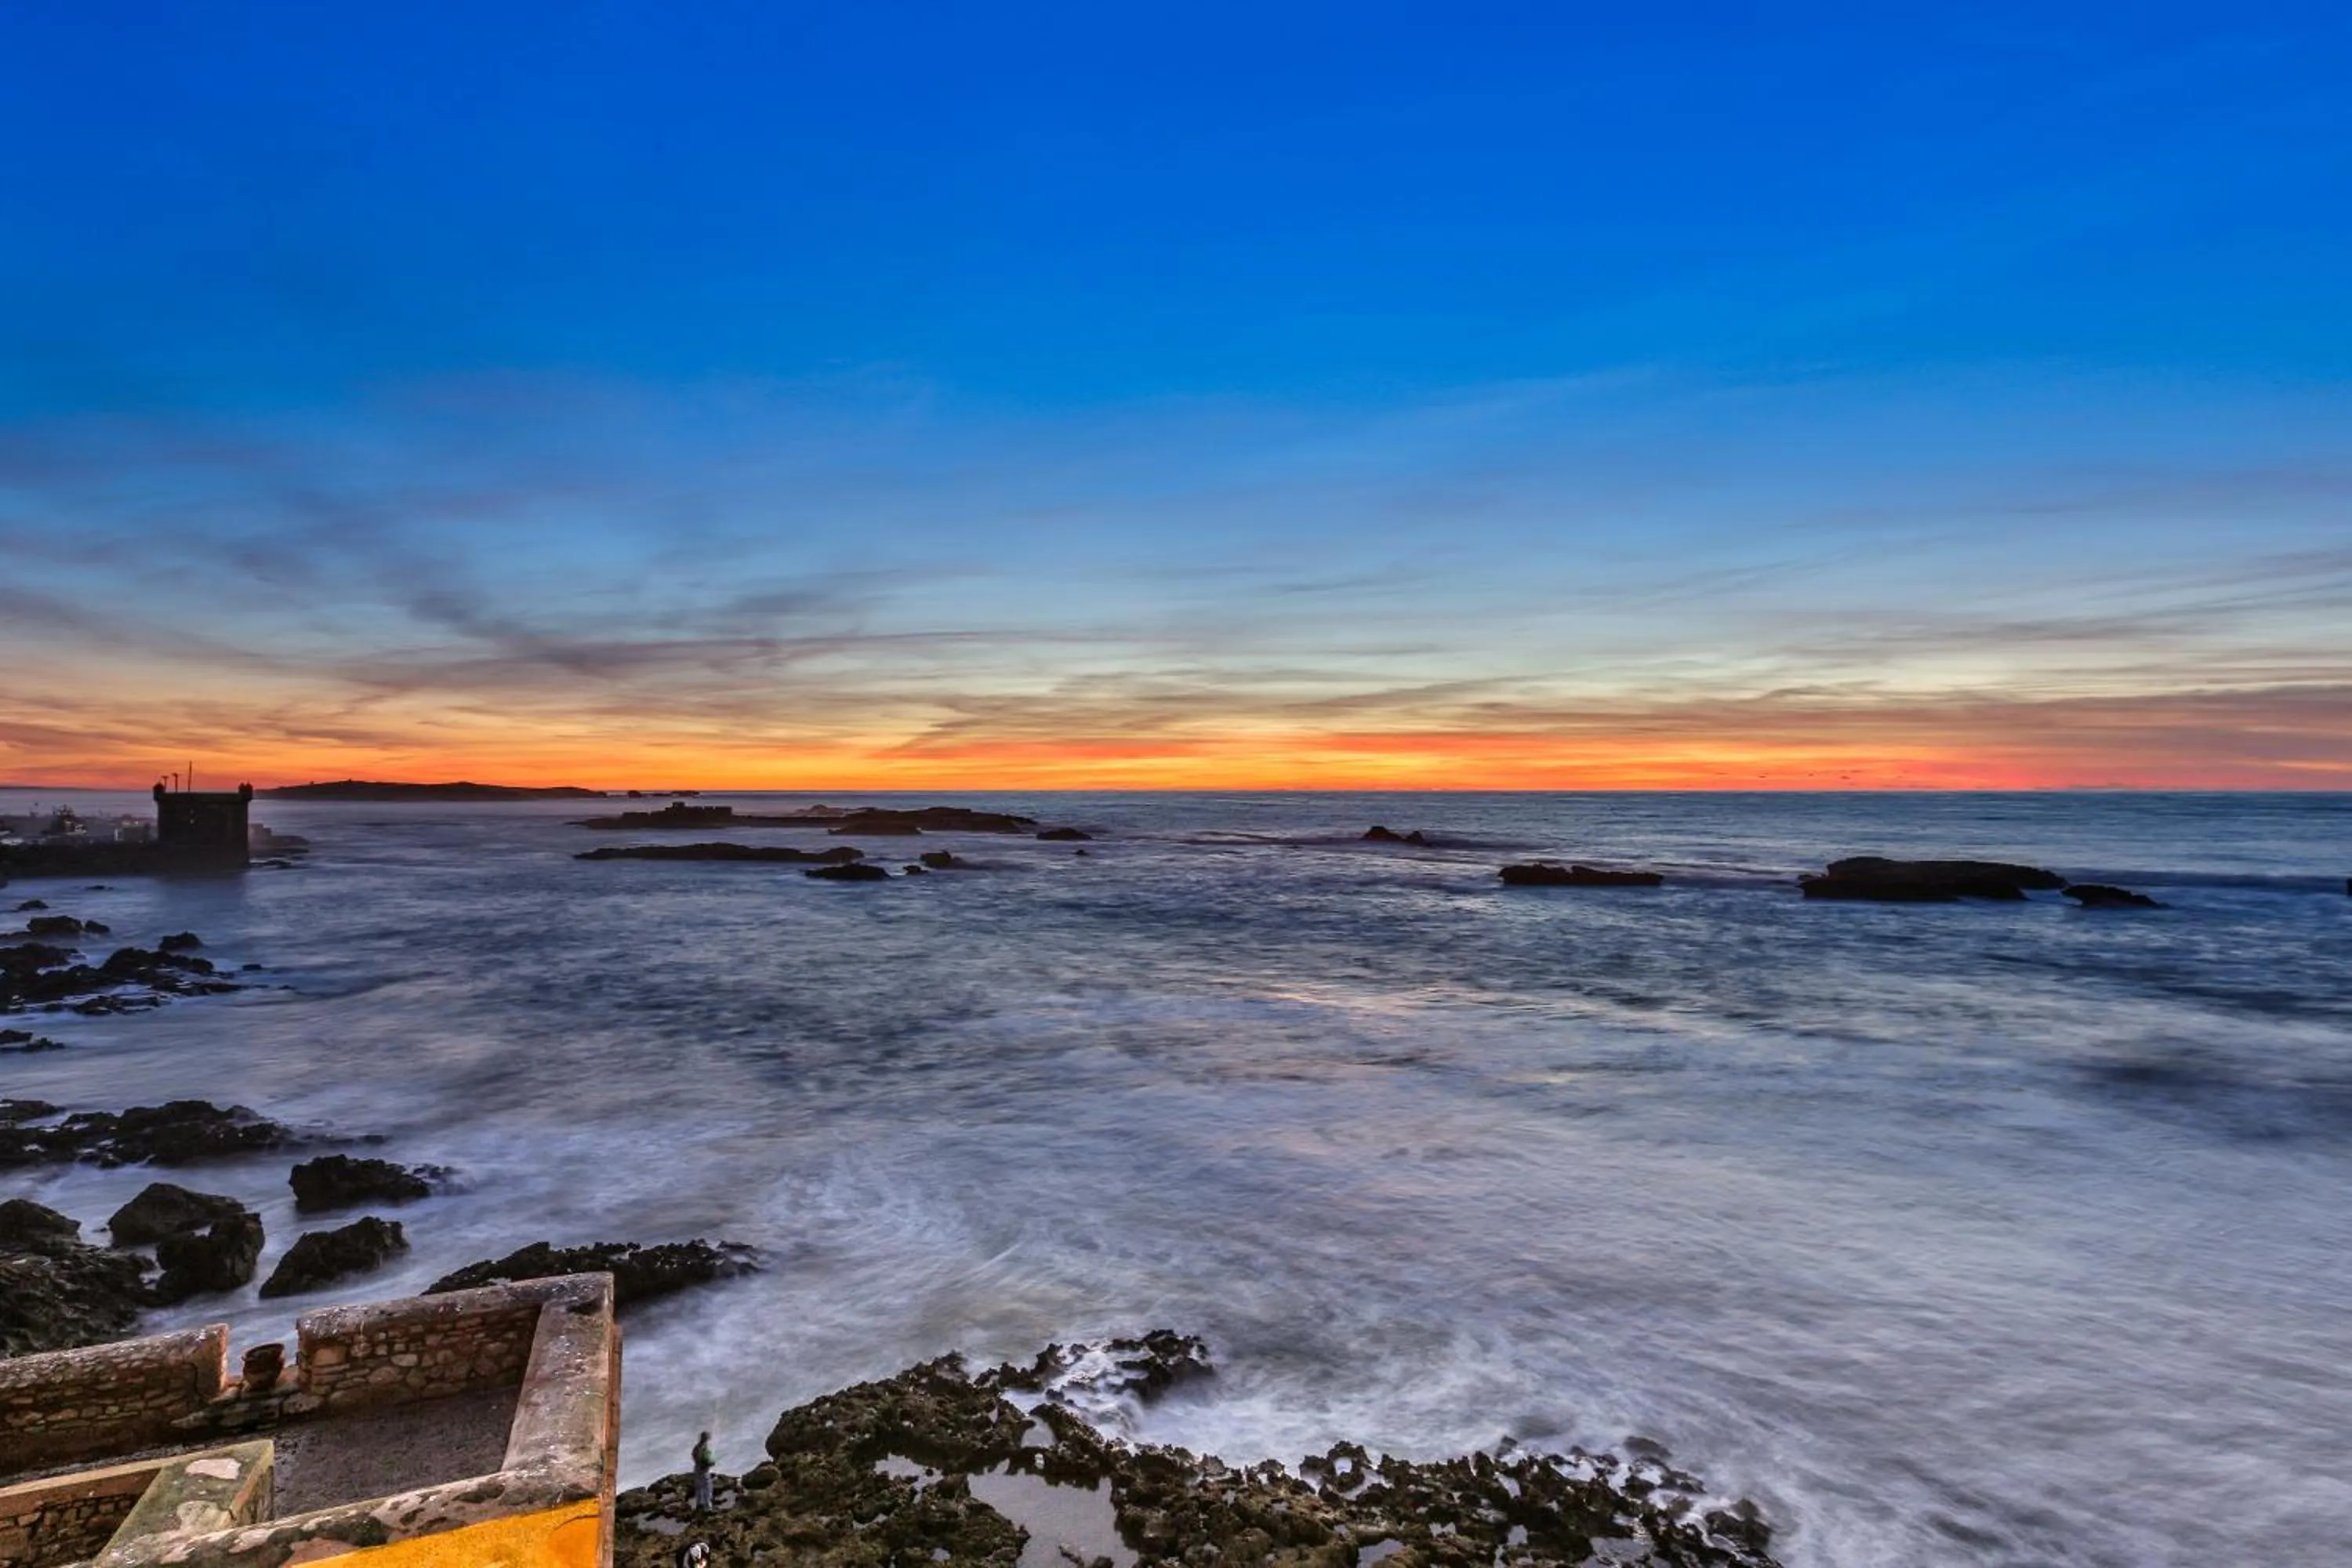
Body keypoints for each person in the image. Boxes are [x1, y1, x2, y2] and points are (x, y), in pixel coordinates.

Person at [691, 1431, 716, 1513]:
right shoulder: (704, 1448)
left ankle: (699, 1505)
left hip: (697, 1469)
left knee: (699, 1487)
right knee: (707, 1487)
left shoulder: (697, 1447)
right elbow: (706, 1459)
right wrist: (710, 1463)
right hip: (703, 1470)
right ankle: (708, 1508)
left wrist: (698, 1463)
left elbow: (694, 1455)